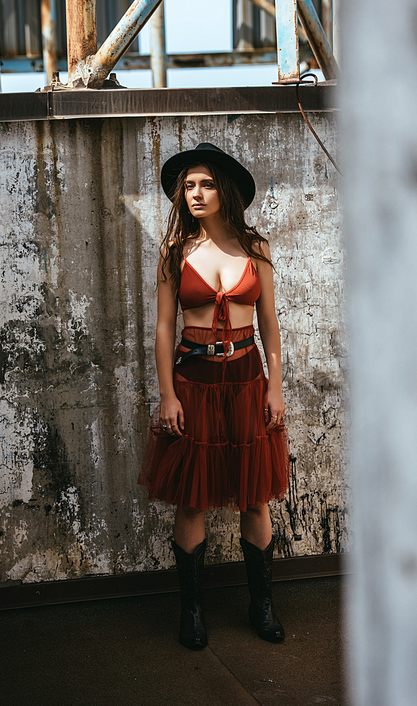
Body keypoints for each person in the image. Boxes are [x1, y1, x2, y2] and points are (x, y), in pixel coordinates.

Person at [138, 143, 289, 650]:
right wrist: (167, 395)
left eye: (204, 184)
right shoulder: (175, 253)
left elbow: (269, 325)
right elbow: (163, 329)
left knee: (254, 498)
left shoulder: (256, 249)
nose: (195, 193)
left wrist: (275, 387)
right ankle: (193, 612)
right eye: (188, 186)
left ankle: (262, 605)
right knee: (192, 499)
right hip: (194, 384)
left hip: (247, 381)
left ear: (224, 190)